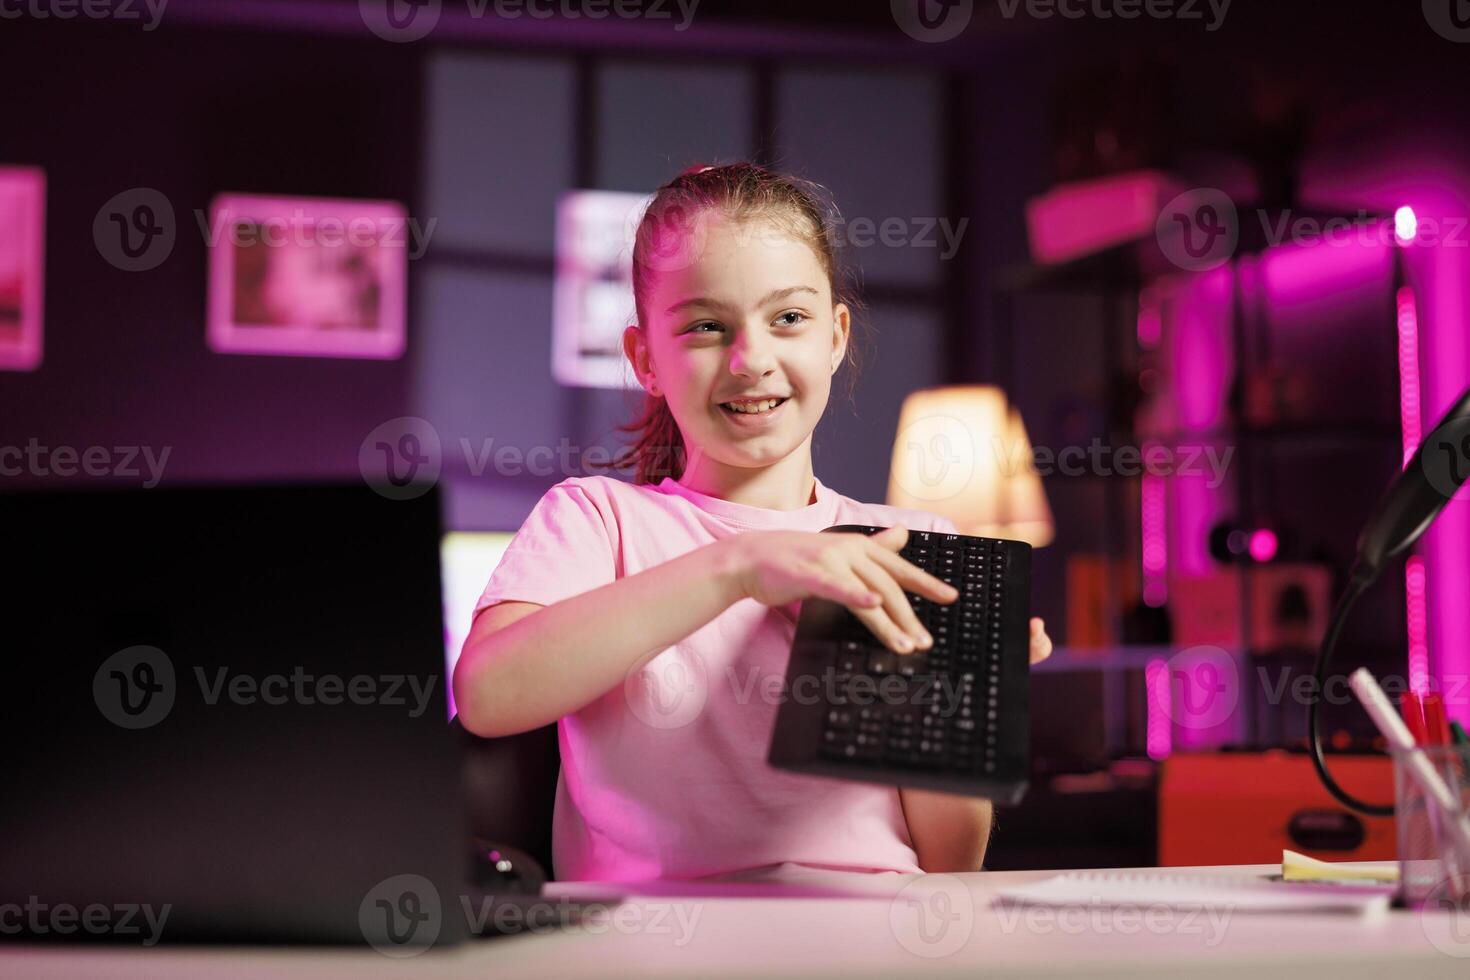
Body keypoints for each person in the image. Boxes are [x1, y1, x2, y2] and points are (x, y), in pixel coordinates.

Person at [454, 162, 1053, 882]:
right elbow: (488, 696)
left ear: (834, 337)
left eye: (789, 319)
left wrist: (955, 712)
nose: (751, 359)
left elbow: (950, 867)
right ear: (646, 358)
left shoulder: (909, 544)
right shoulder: (598, 519)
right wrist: (738, 567)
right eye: (707, 326)